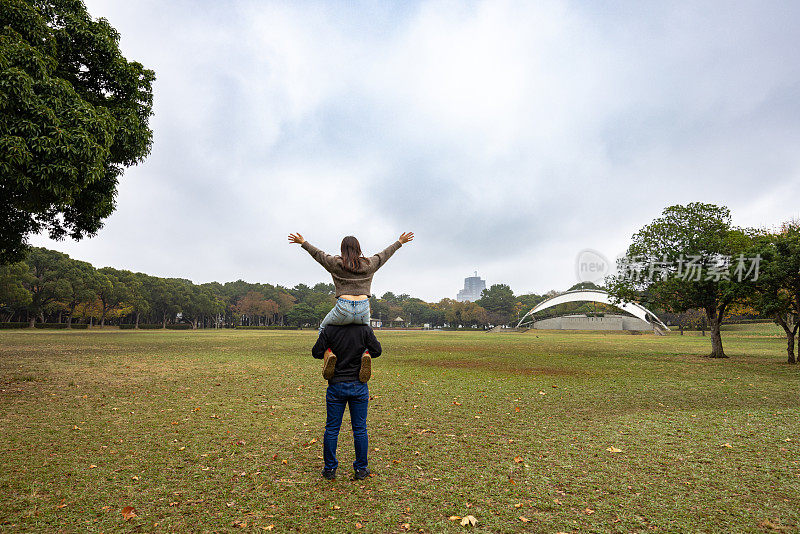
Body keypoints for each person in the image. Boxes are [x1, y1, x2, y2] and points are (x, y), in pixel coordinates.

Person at [288, 231, 413, 380]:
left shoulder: (336, 263)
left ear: (342, 249)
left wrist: (303, 243)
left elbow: (319, 255)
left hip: (343, 307)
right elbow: (384, 255)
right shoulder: (369, 263)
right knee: (367, 335)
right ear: (358, 249)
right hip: (363, 308)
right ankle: (365, 355)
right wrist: (399, 242)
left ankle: (329, 355)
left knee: (323, 329)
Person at [312, 323, 382, 480]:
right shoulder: (364, 328)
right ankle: (361, 469)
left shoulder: (330, 328)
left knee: (332, 428)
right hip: (359, 384)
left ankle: (329, 469)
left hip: (336, 384)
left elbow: (316, 352)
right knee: (360, 429)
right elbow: (377, 351)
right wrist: (365, 351)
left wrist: (328, 349)